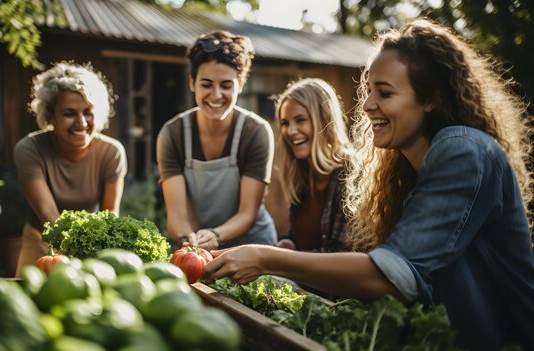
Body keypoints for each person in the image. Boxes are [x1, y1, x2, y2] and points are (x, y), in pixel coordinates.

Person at [205, 19, 534, 350]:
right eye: (369, 90)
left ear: (430, 98)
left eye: (385, 93)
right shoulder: (405, 171)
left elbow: (393, 277)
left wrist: (266, 258)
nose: (367, 105)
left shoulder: (463, 150)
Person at [156, 30, 277, 251]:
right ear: (192, 83)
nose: (216, 94)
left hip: (252, 243)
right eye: (206, 84)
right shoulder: (173, 134)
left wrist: (216, 235)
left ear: (240, 84)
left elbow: (247, 213)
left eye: (226, 85)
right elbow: (177, 216)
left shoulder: (255, 132)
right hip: (197, 243)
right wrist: (189, 241)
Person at [14, 61, 127, 276]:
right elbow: (48, 213)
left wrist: (89, 252)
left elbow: (110, 214)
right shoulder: (29, 149)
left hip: (91, 246)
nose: (81, 122)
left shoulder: (112, 152)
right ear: (50, 116)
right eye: (69, 113)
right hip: (41, 243)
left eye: (88, 112)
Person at [275, 78, 353, 253]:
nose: (291, 131)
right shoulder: (303, 173)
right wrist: (289, 243)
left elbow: (339, 254)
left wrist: (281, 260)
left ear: (324, 120)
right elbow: (300, 238)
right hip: (299, 279)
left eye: (300, 120)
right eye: (285, 123)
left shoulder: (352, 174)